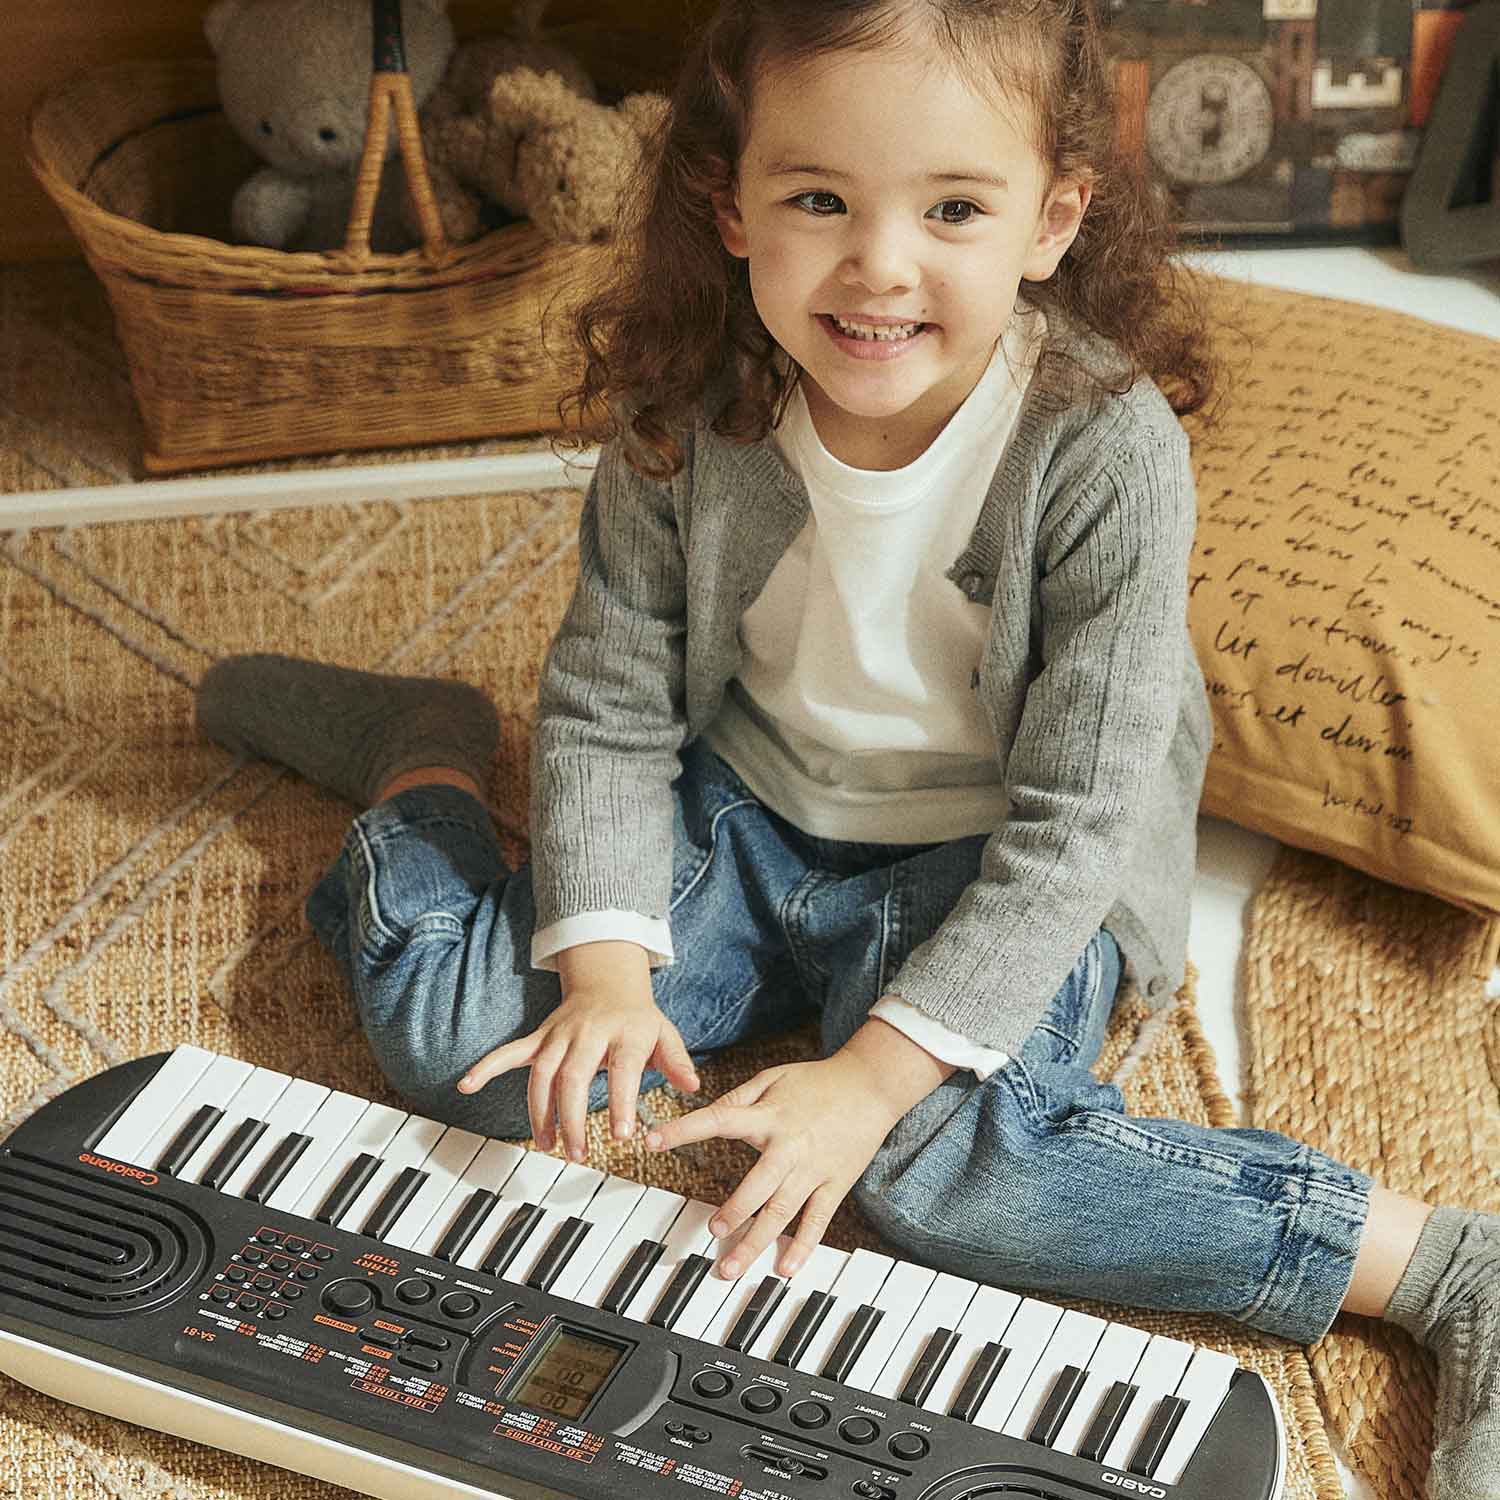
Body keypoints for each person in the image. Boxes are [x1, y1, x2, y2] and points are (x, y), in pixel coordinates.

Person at [196, 2, 1497, 1494]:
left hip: (988, 863)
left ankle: (1443, 1267)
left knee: (938, 1179)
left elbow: (1079, 824)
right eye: (820, 199)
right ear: (730, 206)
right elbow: (611, 702)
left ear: (1053, 217)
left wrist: (872, 1081)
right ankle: (423, 761)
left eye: (953, 208)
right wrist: (607, 978)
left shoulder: (1108, 448)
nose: (880, 264)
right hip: (745, 811)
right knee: (475, 1052)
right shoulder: (687, 405)